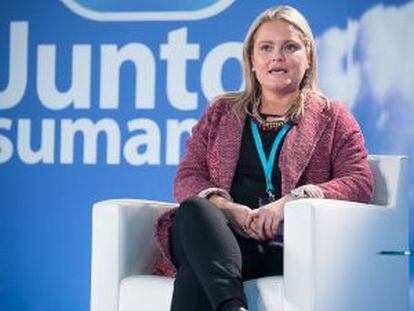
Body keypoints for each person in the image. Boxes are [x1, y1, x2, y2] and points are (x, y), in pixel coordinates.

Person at [152, 5, 374, 311]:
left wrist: (289, 203)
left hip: (280, 244)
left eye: (290, 47)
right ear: (251, 61)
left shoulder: (332, 117)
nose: (276, 57)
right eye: (266, 48)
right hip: (219, 232)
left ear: (308, 57)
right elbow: (188, 176)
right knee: (195, 210)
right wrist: (228, 209)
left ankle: (231, 306)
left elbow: (359, 182)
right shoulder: (221, 113)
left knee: (196, 270)